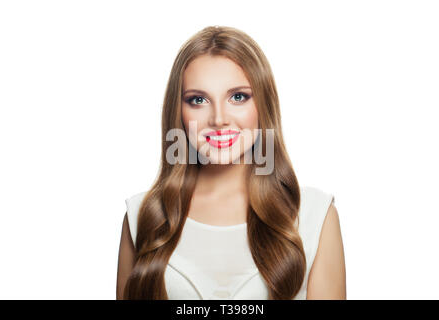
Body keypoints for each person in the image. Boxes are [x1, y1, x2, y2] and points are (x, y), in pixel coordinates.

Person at [116, 25, 346, 300]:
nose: (219, 119)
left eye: (238, 97)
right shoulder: (144, 214)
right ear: (178, 111)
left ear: (263, 105)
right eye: (198, 100)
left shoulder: (313, 216)